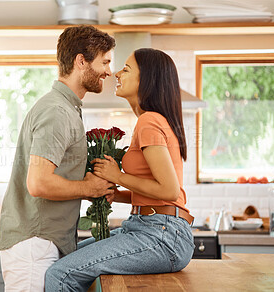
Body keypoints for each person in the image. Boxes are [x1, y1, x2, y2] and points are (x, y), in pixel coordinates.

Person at [45, 48, 195, 291]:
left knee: (60, 275)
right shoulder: (150, 120)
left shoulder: (150, 121)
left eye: (126, 69)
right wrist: (120, 194)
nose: (116, 73)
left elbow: (169, 190)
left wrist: (118, 176)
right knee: (64, 263)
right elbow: (156, 191)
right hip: (150, 227)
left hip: (162, 235)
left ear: (147, 79)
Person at [0, 25, 116, 292]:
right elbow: (38, 184)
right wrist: (88, 188)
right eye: (105, 62)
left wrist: (93, 188)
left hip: (42, 243)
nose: (108, 71)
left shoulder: (66, 108)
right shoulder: (57, 111)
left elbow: (55, 177)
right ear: (80, 61)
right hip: (34, 246)